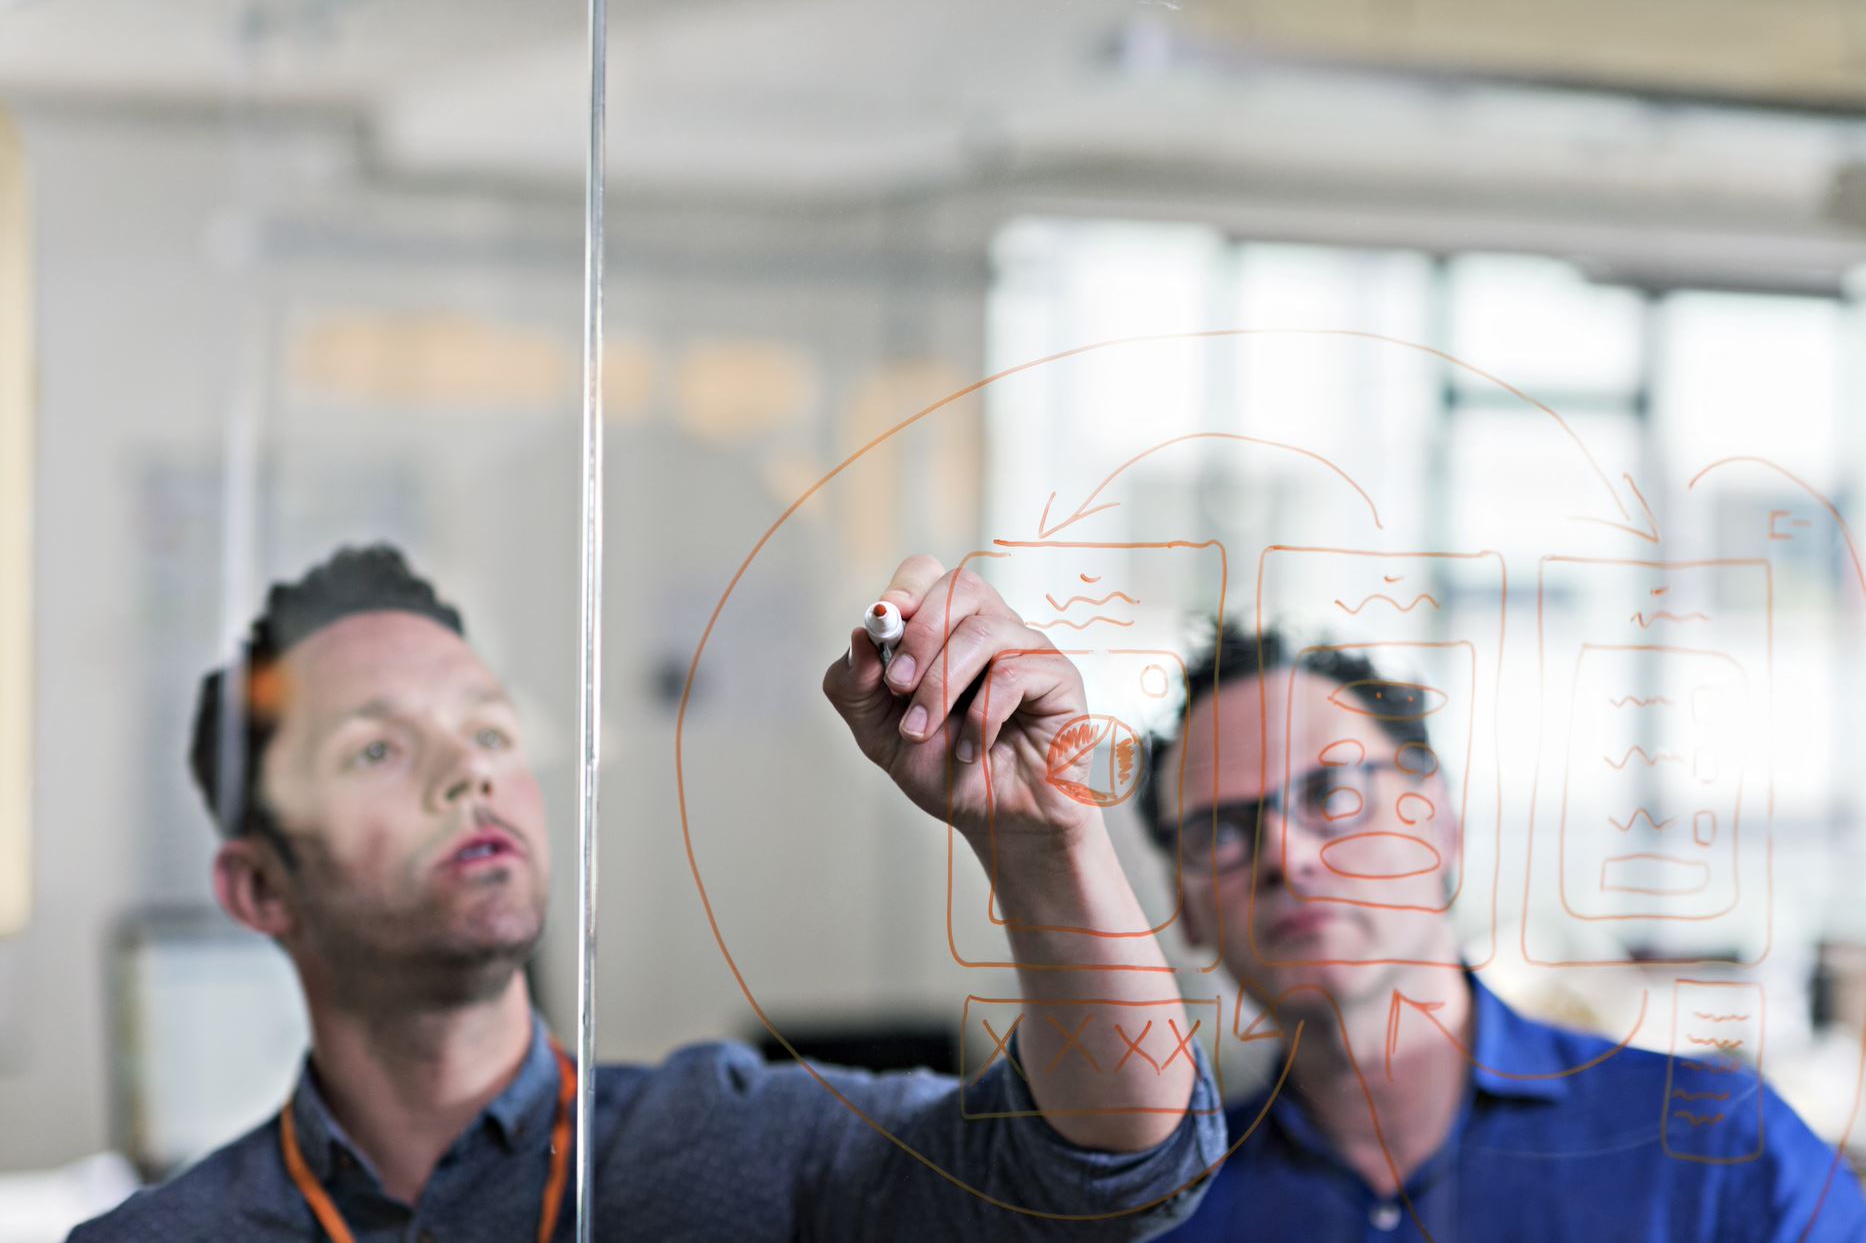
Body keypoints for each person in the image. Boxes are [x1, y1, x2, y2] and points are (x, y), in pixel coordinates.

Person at [70, 546, 1223, 1242]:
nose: (468, 771)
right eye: (377, 751)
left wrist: (1043, 841)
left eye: (488, 730)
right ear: (261, 886)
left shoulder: (730, 1149)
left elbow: (1106, 1172)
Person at [1135, 620, 1866, 1241]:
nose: (1284, 854)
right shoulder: (1164, 1214)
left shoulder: (1720, 1152)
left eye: (1332, 793)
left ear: (1441, 823)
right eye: (1221, 830)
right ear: (1185, 904)